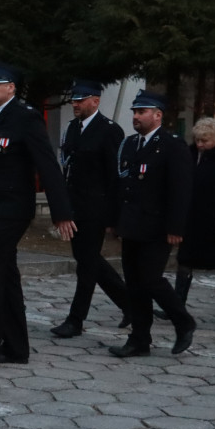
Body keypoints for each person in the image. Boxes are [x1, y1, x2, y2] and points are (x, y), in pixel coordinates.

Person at [0, 61, 75, 368]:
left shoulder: (26, 118)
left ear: (11, 88)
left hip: (11, 210)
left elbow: (47, 165)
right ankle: (17, 347)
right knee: (5, 277)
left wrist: (61, 212)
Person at [109, 89, 195, 358]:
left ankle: (183, 321)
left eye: (142, 111)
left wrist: (176, 228)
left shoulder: (172, 145)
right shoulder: (131, 144)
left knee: (151, 279)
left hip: (157, 227)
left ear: (157, 115)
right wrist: (115, 222)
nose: (136, 116)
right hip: (132, 225)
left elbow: (180, 190)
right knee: (134, 284)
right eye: (135, 111)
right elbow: (123, 187)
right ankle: (139, 339)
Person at [51, 80, 131, 338]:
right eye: (74, 99)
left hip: (96, 208)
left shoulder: (109, 131)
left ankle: (76, 320)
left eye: (80, 100)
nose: (75, 104)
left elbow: (115, 178)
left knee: (86, 263)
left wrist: (113, 216)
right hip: (75, 207)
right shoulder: (72, 128)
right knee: (88, 260)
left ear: (95, 101)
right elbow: (68, 170)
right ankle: (130, 303)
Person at [162, 117, 215, 326]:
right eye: (197, 140)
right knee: (184, 262)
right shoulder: (191, 155)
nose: (200, 144)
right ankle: (177, 306)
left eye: (205, 140)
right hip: (192, 219)